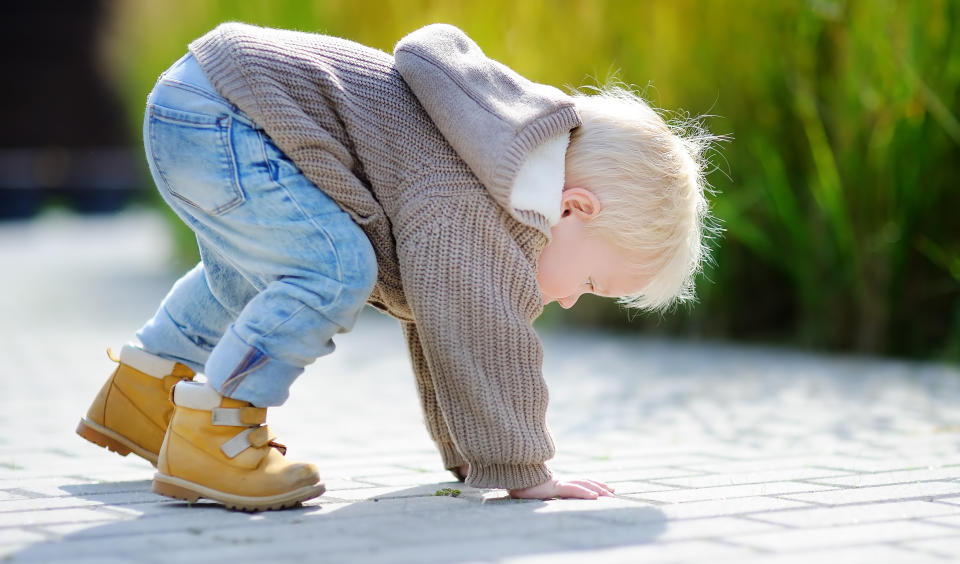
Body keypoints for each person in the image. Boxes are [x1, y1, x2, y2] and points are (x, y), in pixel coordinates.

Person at [76, 22, 716, 511]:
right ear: (574, 208)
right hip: (229, 115)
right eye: (591, 282)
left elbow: (443, 324)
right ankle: (216, 432)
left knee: (251, 277)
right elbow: (481, 332)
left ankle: (144, 390)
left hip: (198, 103)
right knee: (334, 270)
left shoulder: (492, 166)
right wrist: (524, 470)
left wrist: (474, 457)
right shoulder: (475, 196)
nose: (574, 300)